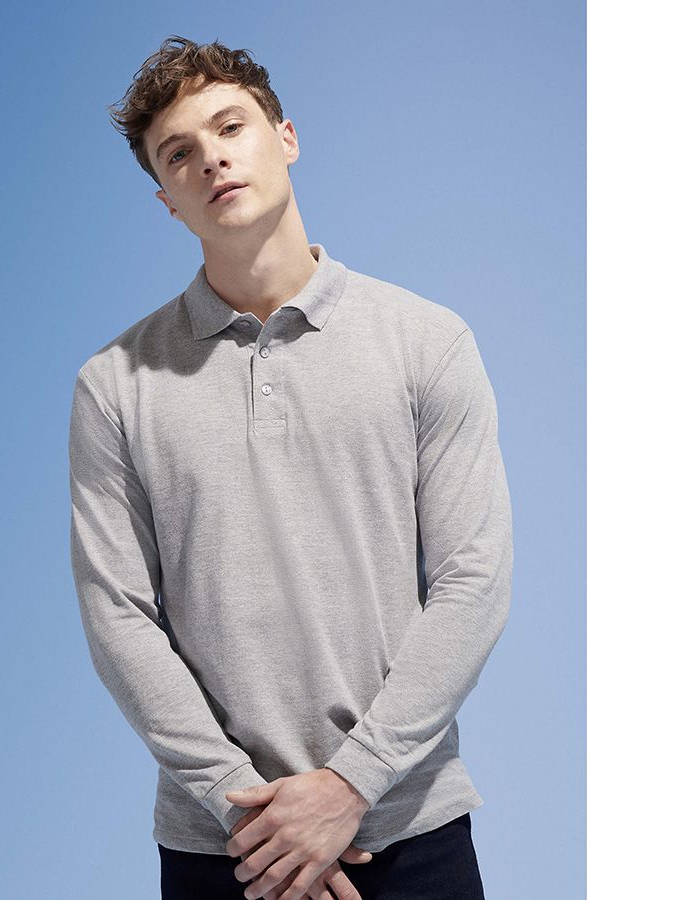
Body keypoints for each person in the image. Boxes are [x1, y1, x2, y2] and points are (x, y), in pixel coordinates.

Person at [68, 34, 513, 900]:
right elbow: (117, 617)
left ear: (287, 137)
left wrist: (352, 783)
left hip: (409, 831)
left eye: (230, 126)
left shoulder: (426, 341)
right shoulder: (115, 385)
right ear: (166, 199)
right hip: (224, 847)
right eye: (178, 154)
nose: (211, 159)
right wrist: (246, 812)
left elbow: (474, 578)